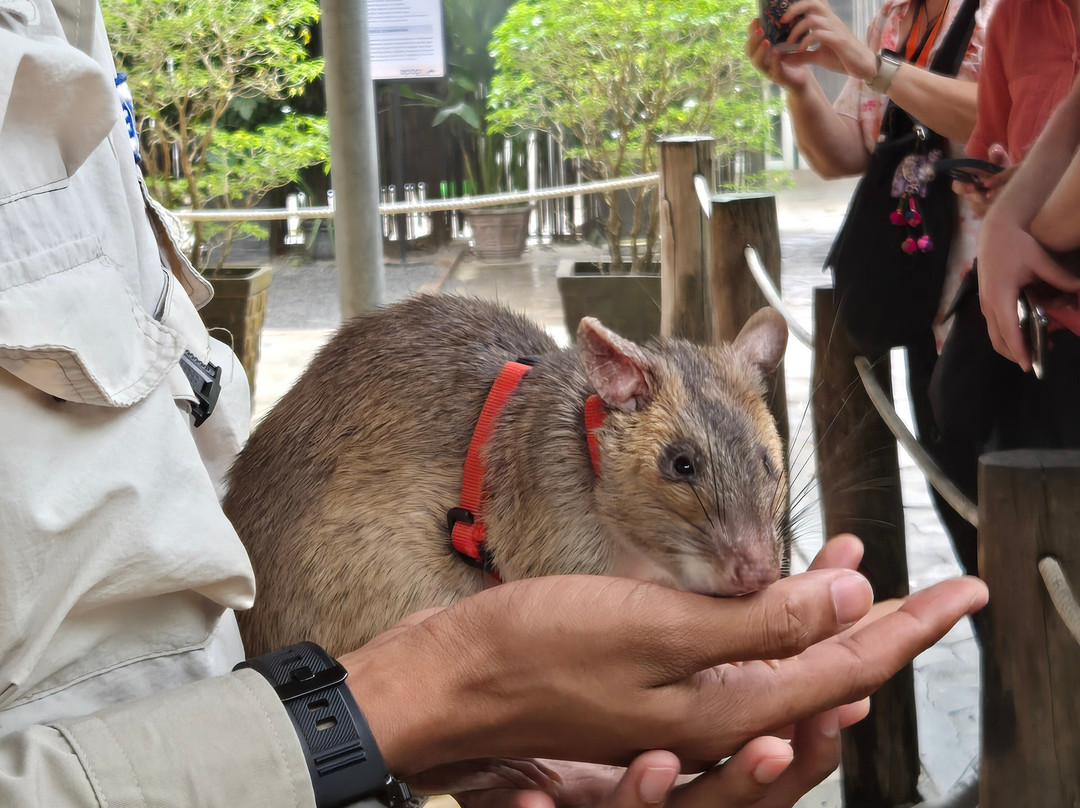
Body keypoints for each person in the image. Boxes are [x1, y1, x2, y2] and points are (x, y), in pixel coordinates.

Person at [0, 0, 988, 806]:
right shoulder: (576, 460)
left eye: (766, 477)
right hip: (299, 650)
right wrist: (434, 689)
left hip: (245, 721)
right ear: (614, 394)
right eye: (683, 468)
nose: (755, 553)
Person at [746, 0, 993, 576]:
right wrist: (799, 86)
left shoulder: (1001, 14)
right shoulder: (896, 18)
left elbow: (1003, 116)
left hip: (1003, 314)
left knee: (1019, 519)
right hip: (926, 308)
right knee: (970, 524)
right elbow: (847, 152)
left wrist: (872, 63)